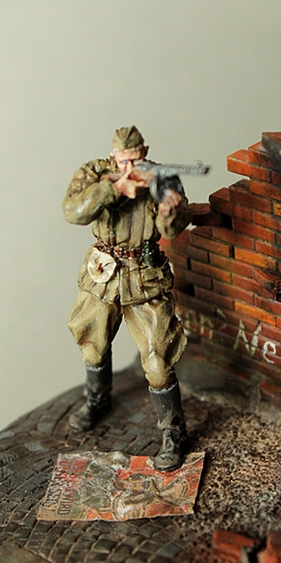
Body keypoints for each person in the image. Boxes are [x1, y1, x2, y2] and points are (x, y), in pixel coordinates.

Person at [62, 125, 191, 471]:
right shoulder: (94, 173)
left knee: (158, 359)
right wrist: (114, 188)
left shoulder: (161, 178)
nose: (130, 166)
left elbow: (173, 228)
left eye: (136, 159)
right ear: (114, 156)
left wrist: (170, 210)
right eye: (123, 160)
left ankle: (173, 434)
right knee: (92, 344)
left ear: (144, 152)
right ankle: (97, 400)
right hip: (103, 274)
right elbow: (73, 211)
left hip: (144, 278)